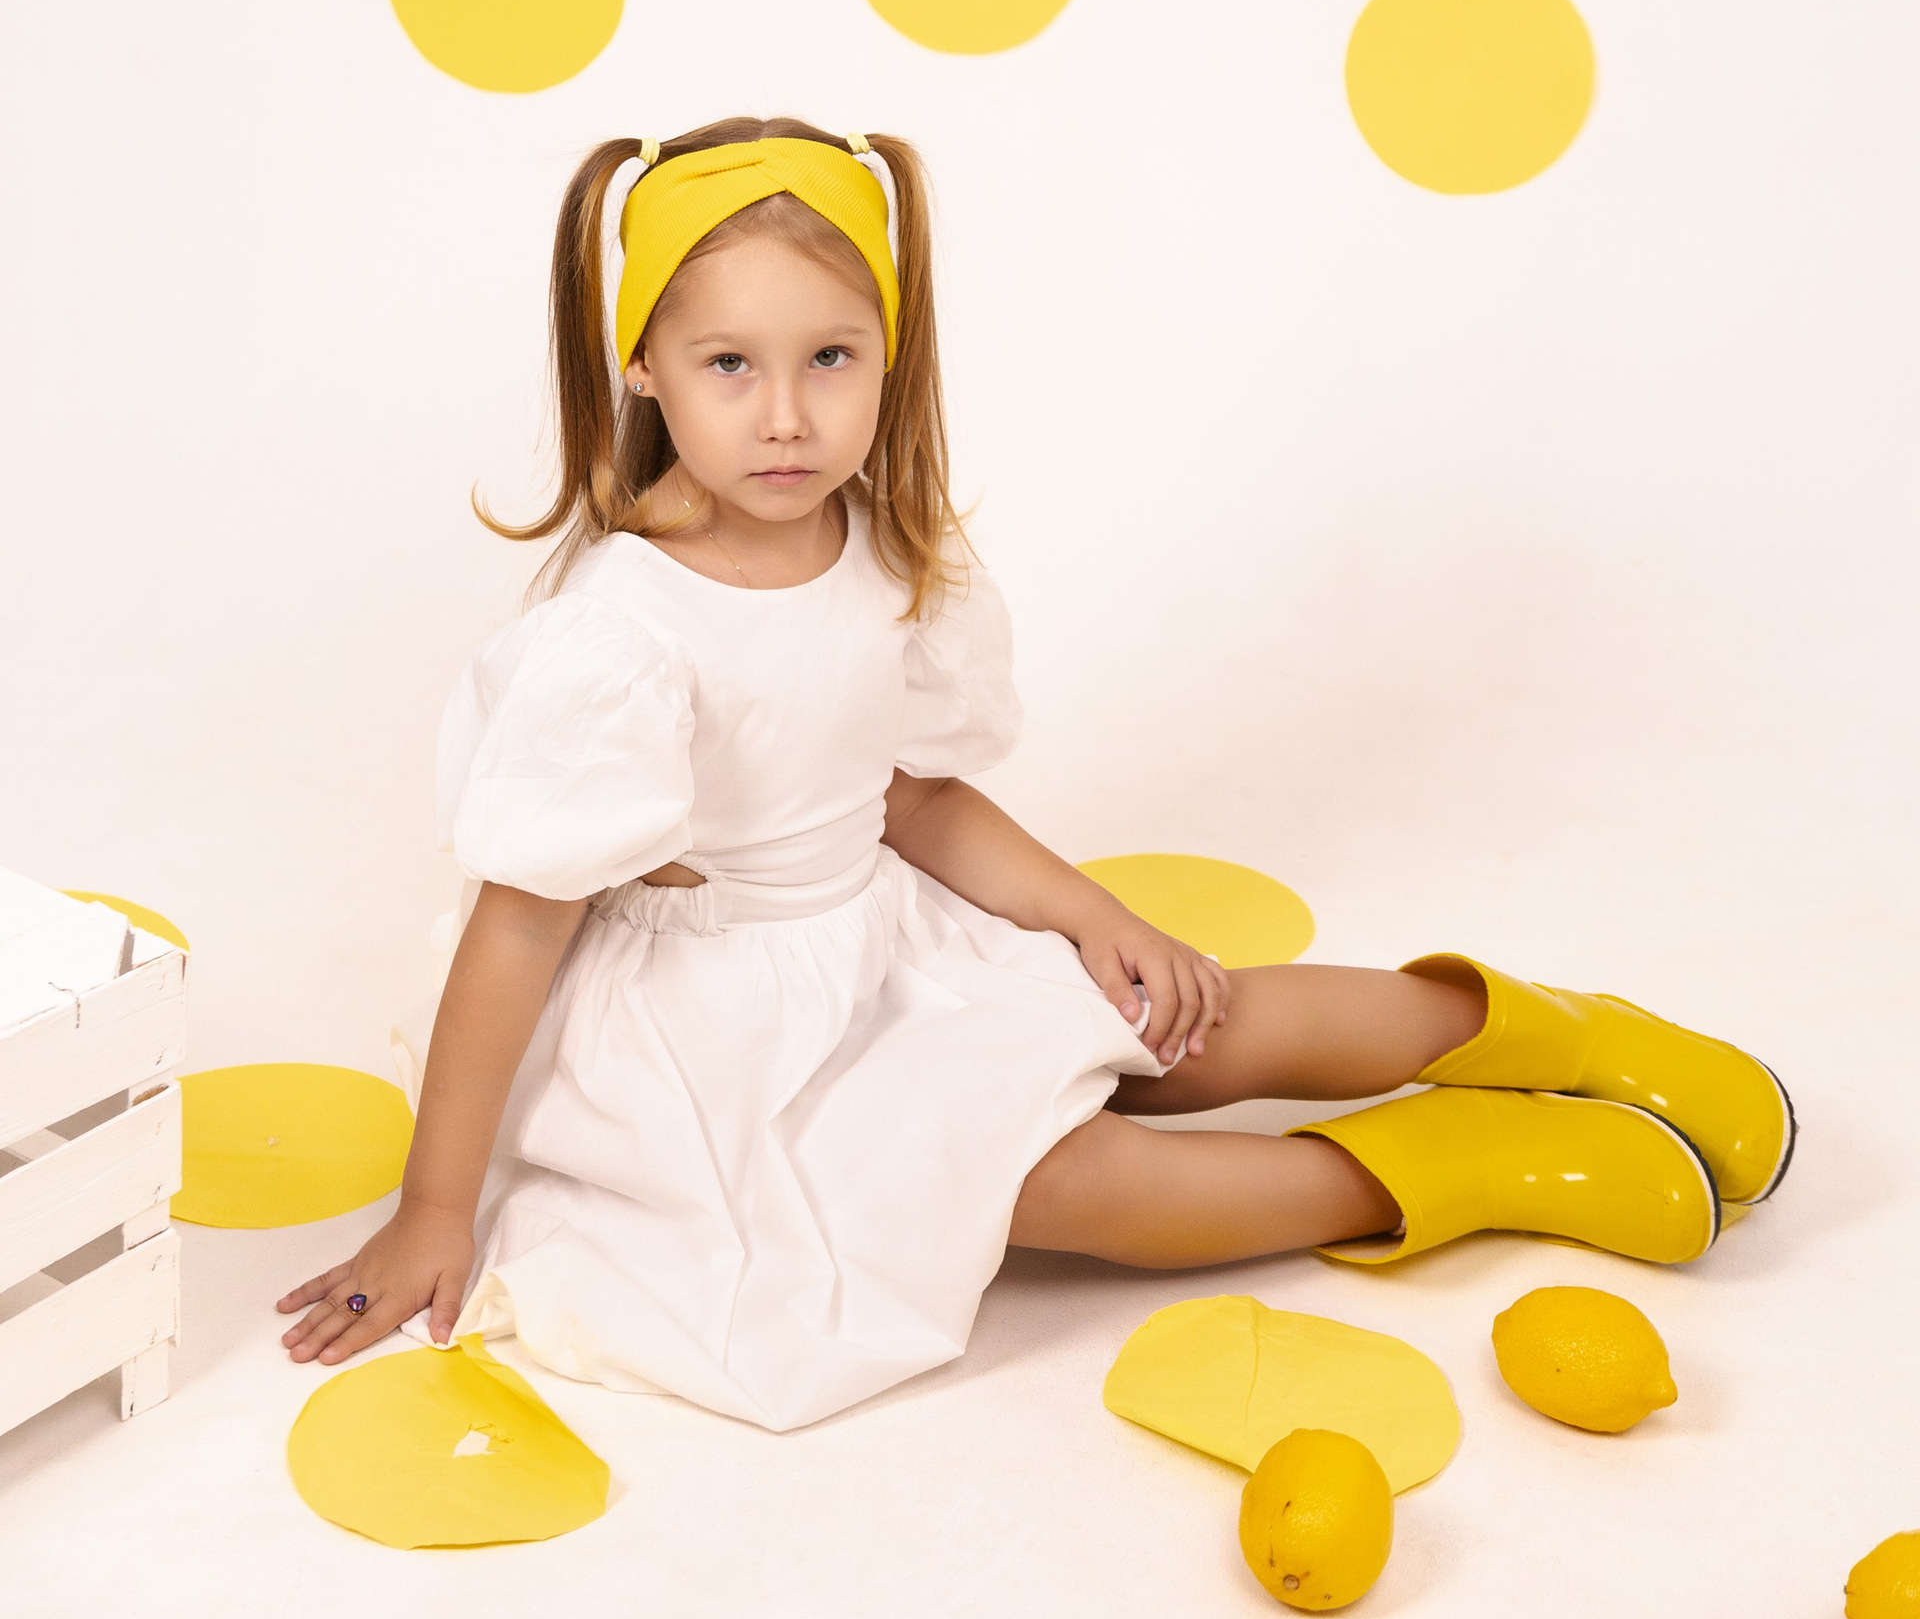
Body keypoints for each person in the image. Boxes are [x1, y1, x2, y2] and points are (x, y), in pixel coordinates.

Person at [280, 119, 1793, 1433]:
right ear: (645, 367)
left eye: (830, 359)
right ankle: (1449, 1169)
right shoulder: (622, 633)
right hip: (725, 1028)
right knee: (1072, 1186)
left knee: (1185, 1029)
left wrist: (1090, 918)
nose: (787, 415)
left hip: (881, 947)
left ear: (890, 358)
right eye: (729, 364)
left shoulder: (877, 550)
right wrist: (434, 1205)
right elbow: (521, 920)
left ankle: (1543, 1032)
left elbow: (908, 799)